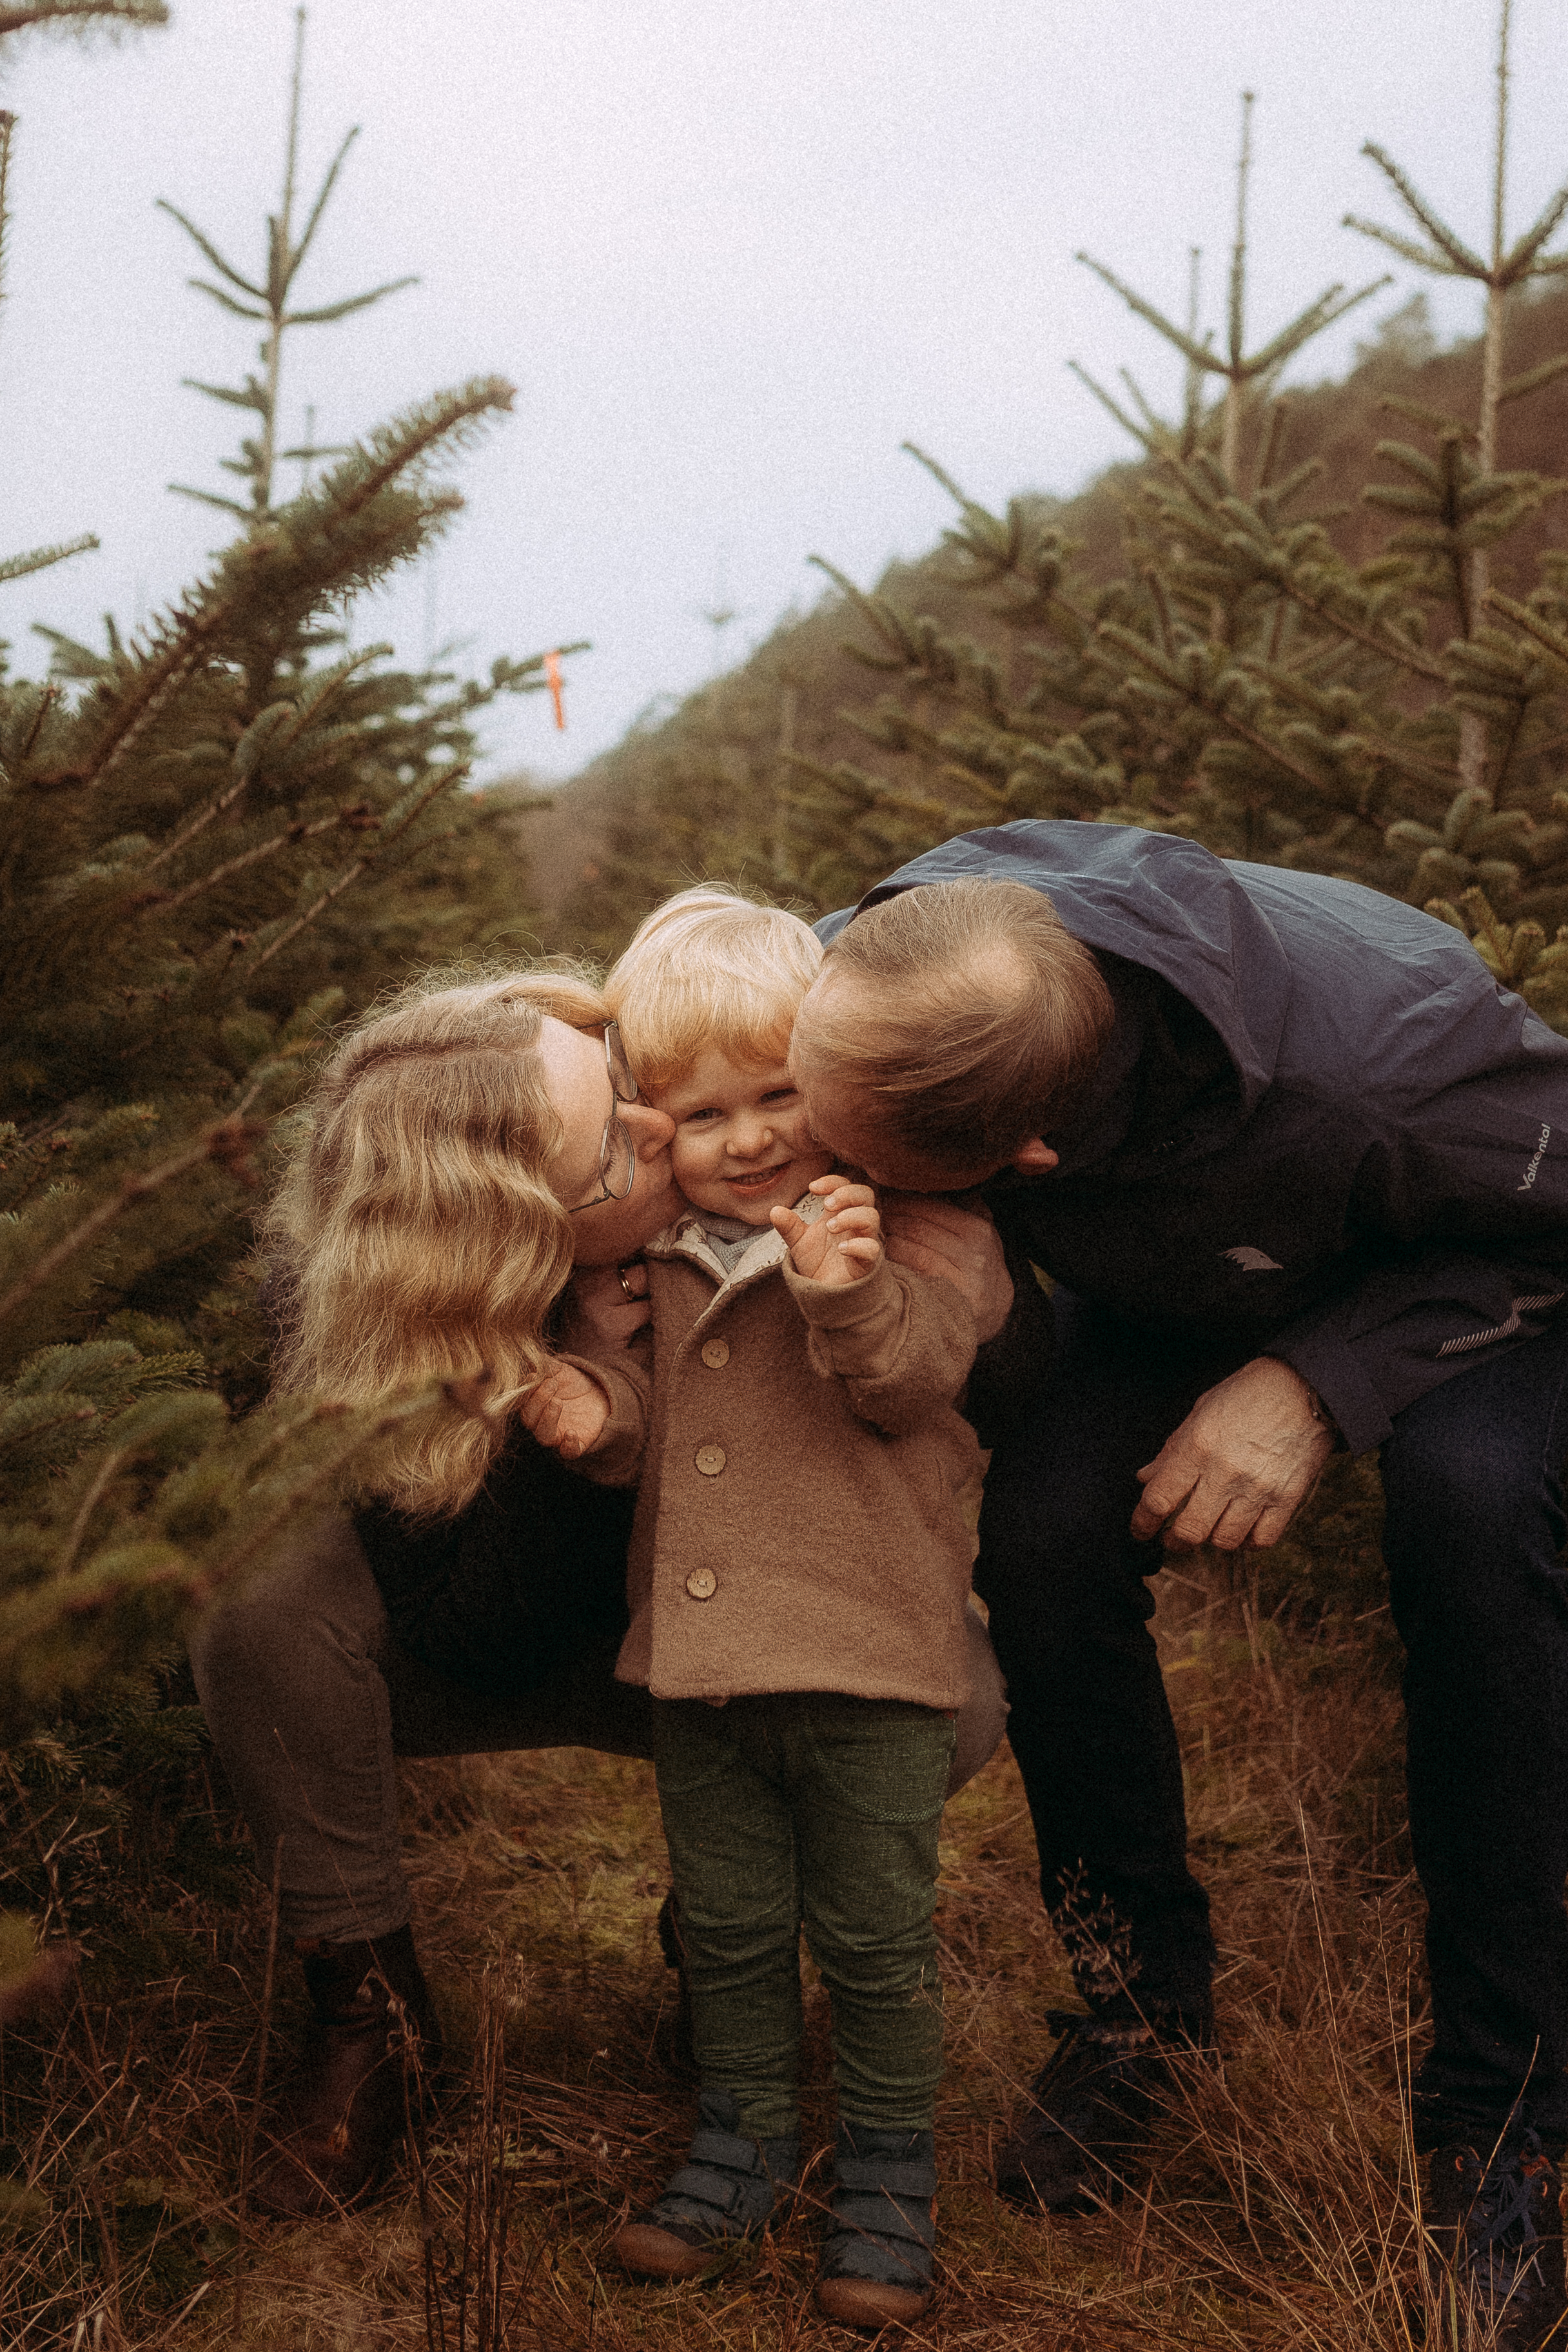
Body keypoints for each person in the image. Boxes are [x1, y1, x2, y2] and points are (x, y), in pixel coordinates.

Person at [787, 817, 1568, 2347]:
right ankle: (1137, 2009)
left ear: (1026, 1165)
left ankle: (1507, 2111)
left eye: (848, 1155)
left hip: (1473, 1264)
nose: (810, 1156)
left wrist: (1318, 1382)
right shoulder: (892, 968)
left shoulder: (1386, 1068)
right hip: (1186, 1278)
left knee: (1467, 1508)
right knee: (1043, 1530)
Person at [190, 957, 1011, 2224]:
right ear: (516, 1237)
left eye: (624, 1084)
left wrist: (941, 1234)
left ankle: (725, 1927)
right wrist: (581, 1409)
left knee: (945, 1700)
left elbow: (988, 1337)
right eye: (613, 1153)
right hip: (529, 1632)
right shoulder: (373, 1308)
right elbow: (475, 1641)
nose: (659, 1128)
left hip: (752, 1624)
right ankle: (371, 2016)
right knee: (262, 1597)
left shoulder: (767, 1156)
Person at [519, 888, 1003, 2330]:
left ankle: (887, 2180)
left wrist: (842, 1293)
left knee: (872, 1936)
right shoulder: (648, 1269)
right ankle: (737, 2145)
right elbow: (635, 1440)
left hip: (871, 1659)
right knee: (728, 1927)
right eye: (702, 1113)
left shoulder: (902, 1234)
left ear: (835, 1084)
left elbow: (913, 1383)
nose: (750, 1140)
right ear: (651, 1126)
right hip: (704, 1666)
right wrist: (580, 1405)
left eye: (780, 1094)